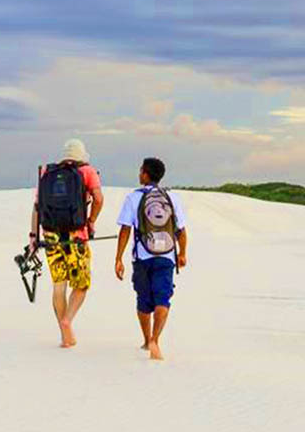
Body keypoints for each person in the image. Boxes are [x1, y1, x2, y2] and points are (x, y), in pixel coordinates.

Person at [29, 139, 104, 348]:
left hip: (51, 236)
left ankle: (64, 337)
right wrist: (91, 222)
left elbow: (37, 206)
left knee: (59, 285)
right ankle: (67, 321)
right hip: (76, 236)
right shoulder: (87, 171)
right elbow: (98, 199)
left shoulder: (46, 172)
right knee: (81, 285)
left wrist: (33, 237)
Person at [115, 157, 187, 360]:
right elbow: (181, 230)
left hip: (143, 257)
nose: (139, 174)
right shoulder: (172, 198)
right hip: (166, 256)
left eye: (141, 170)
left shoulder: (134, 198)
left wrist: (118, 258)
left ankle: (147, 340)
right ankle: (156, 339)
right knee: (163, 298)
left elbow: (125, 229)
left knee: (143, 301)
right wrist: (182, 253)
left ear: (146, 174)